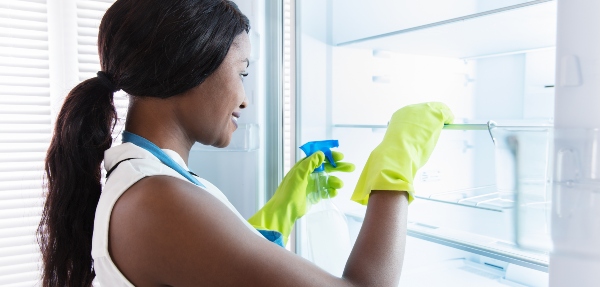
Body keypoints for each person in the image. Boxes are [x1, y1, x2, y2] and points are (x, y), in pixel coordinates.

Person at [37, 0, 454, 286]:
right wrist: (394, 167)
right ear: (192, 65)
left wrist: (281, 211)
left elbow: (210, 265)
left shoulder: (151, 176)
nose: (244, 98)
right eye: (243, 72)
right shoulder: (156, 198)